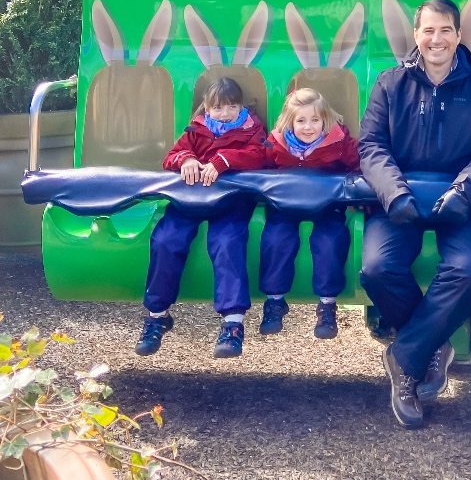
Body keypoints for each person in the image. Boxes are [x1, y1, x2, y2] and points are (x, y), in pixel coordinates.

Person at [358, 0, 471, 428]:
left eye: (446, 30)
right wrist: (394, 193)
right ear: (416, 35)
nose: (437, 39)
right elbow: (371, 147)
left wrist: (464, 190)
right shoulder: (389, 84)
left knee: (467, 272)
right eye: (429, 30)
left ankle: (405, 358)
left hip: (466, 198)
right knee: (375, 269)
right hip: (401, 195)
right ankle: (432, 347)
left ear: (459, 36)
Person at [135, 77, 267, 360]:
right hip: (192, 198)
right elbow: (171, 156)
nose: (225, 113)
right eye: (218, 108)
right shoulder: (197, 129)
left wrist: (224, 160)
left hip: (232, 199)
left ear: (241, 106)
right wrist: (186, 160)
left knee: (227, 242)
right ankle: (157, 315)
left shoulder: (250, 129)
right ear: (207, 109)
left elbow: (260, 155)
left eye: (232, 106)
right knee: (166, 239)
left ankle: (233, 323)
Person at [259, 87, 360, 339]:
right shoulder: (276, 145)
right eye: (301, 120)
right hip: (286, 205)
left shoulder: (338, 144)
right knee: (276, 239)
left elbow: (361, 163)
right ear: (289, 121)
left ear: (325, 120)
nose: (308, 127)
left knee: (329, 241)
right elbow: (260, 168)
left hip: (326, 205)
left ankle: (327, 304)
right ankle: (274, 300)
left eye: (315, 120)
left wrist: (362, 194)